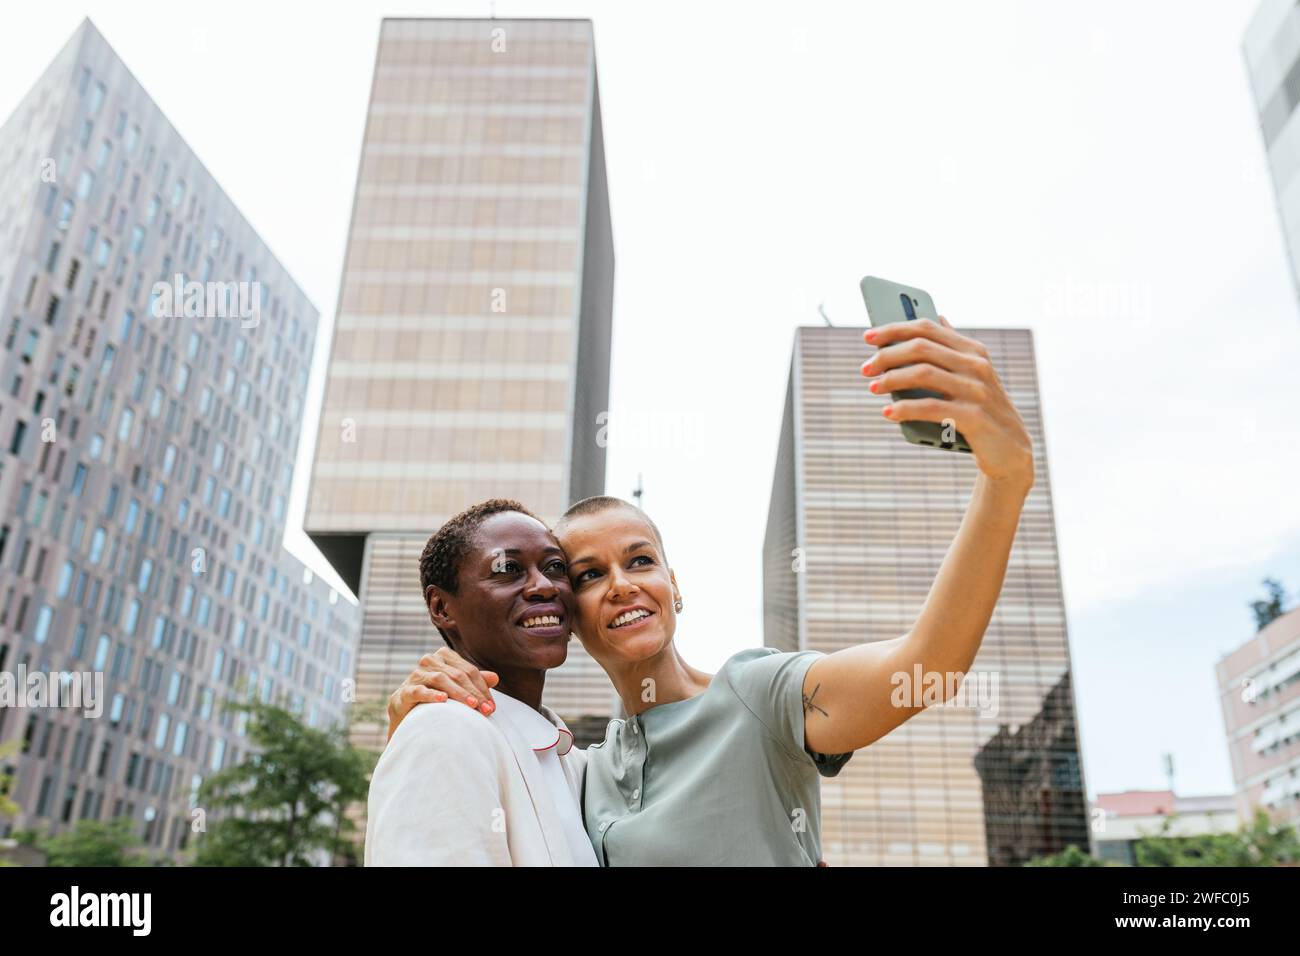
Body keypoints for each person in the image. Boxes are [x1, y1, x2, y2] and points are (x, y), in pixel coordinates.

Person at [386, 316, 1035, 865]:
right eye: (587, 574)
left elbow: (930, 667)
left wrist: (1004, 481)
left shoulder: (756, 695)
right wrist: (424, 710)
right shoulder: (584, 771)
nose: (620, 585)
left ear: (674, 586)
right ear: (569, 613)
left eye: (640, 561)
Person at [365, 498, 598, 865]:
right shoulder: (443, 730)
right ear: (442, 608)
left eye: (555, 567)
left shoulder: (572, 762)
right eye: (508, 569)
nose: (544, 586)